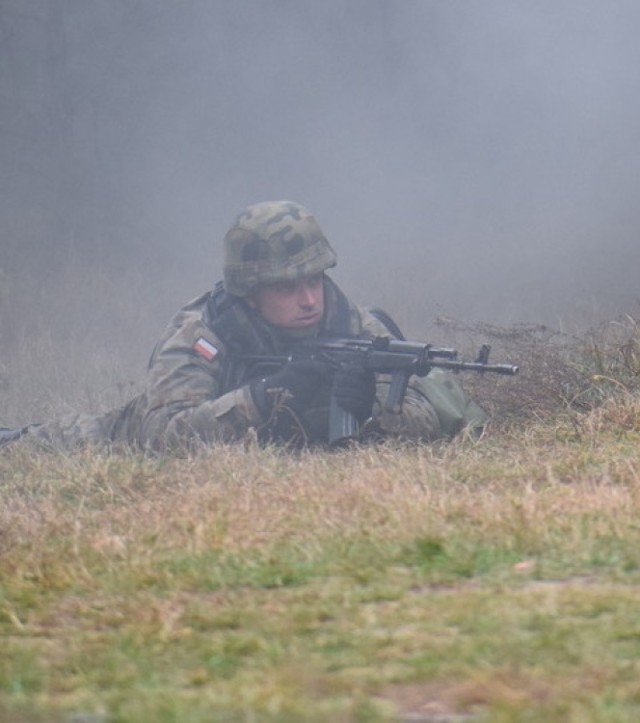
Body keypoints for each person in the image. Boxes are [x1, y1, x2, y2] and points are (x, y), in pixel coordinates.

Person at [0, 200, 486, 452]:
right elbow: (162, 435)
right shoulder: (202, 332)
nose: (309, 299)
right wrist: (264, 397)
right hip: (115, 435)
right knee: (54, 441)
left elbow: (446, 413)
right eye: (286, 287)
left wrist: (377, 412)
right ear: (249, 291)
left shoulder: (353, 324)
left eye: (315, 280)